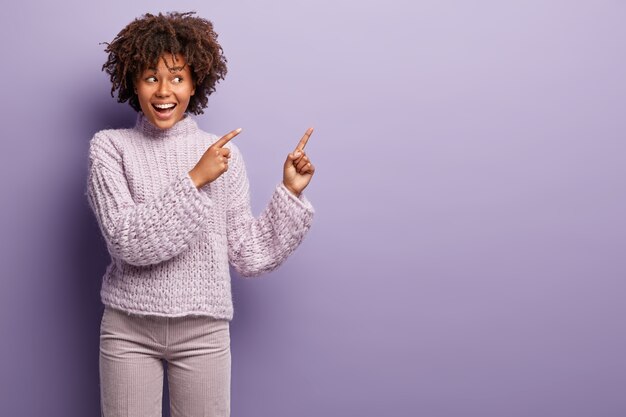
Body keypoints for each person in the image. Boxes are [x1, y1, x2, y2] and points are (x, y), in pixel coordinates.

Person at [85, 11, 315, 417]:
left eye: (176, 77)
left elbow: (248, 253)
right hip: (128, 330)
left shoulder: (222, 155)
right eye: (150, 77)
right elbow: (128, 241)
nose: (163, 91)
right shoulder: (110, 147)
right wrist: (194, 179)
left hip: (204, 332)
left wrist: (289, 194)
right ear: (131, 82)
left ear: (195, 83)